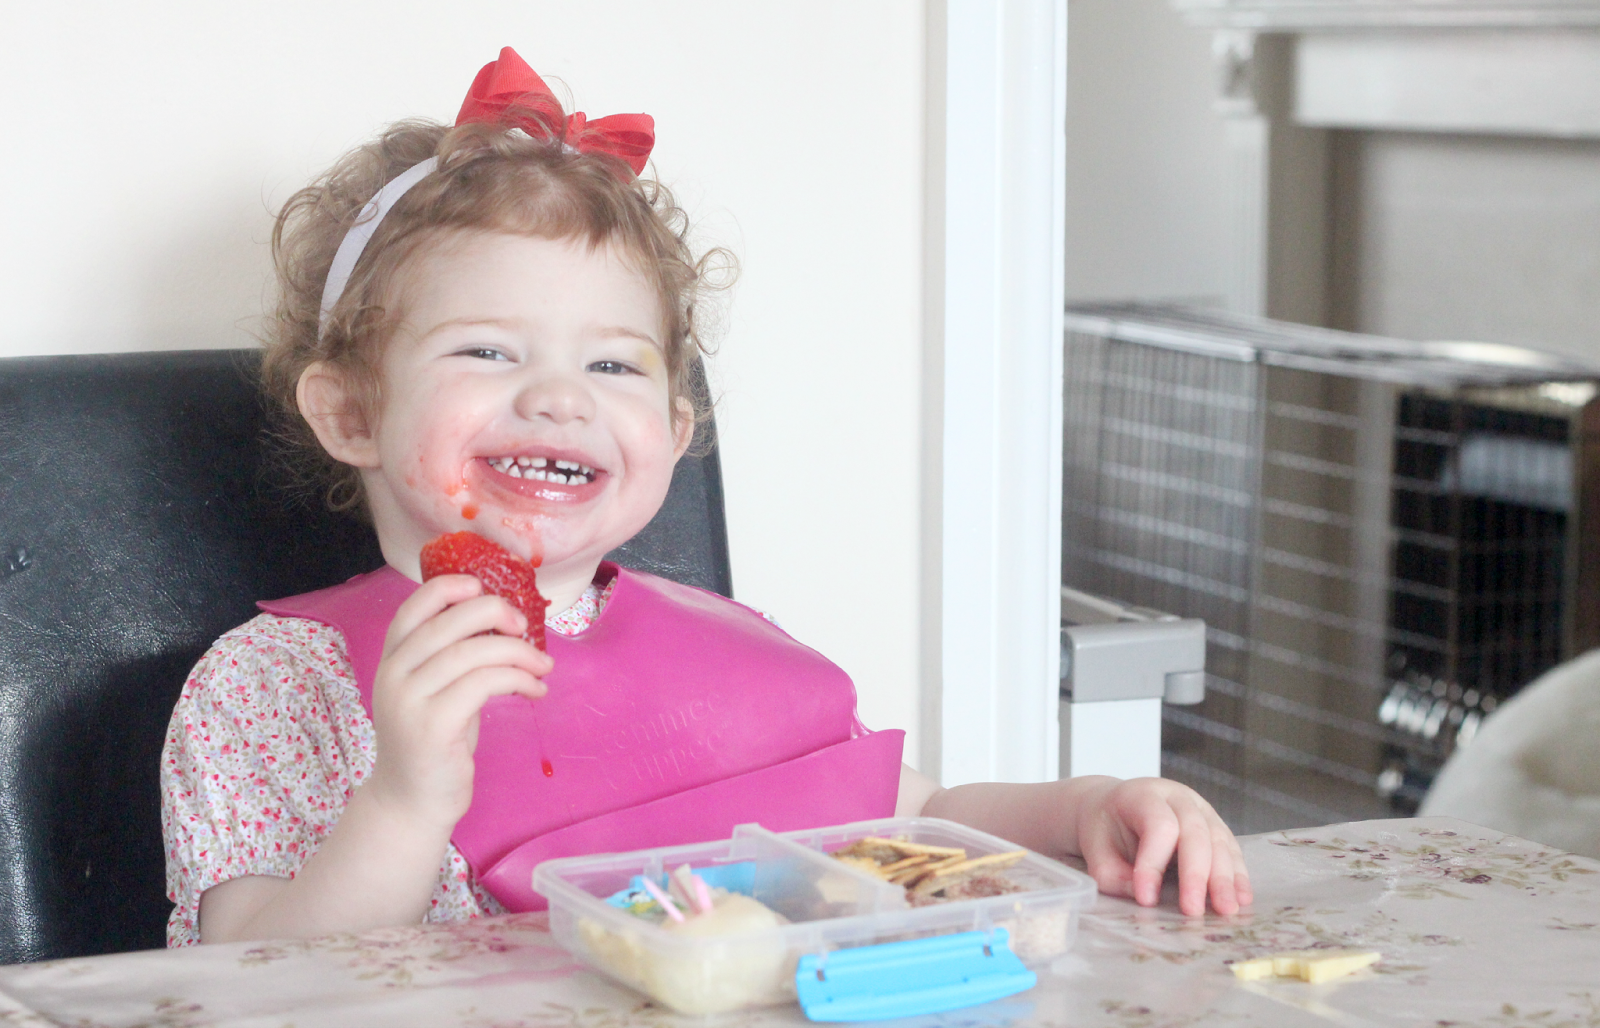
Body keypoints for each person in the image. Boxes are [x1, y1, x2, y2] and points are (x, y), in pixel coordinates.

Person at [161, 48, 1251, 948]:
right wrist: (404, 801)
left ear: (675, 435)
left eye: (613, 365)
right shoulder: (274, 686)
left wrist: (1086, 807)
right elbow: (245, 983)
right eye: (488, 350)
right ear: (351, 412)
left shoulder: (733, 644)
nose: (560, 398)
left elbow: (913, 816)